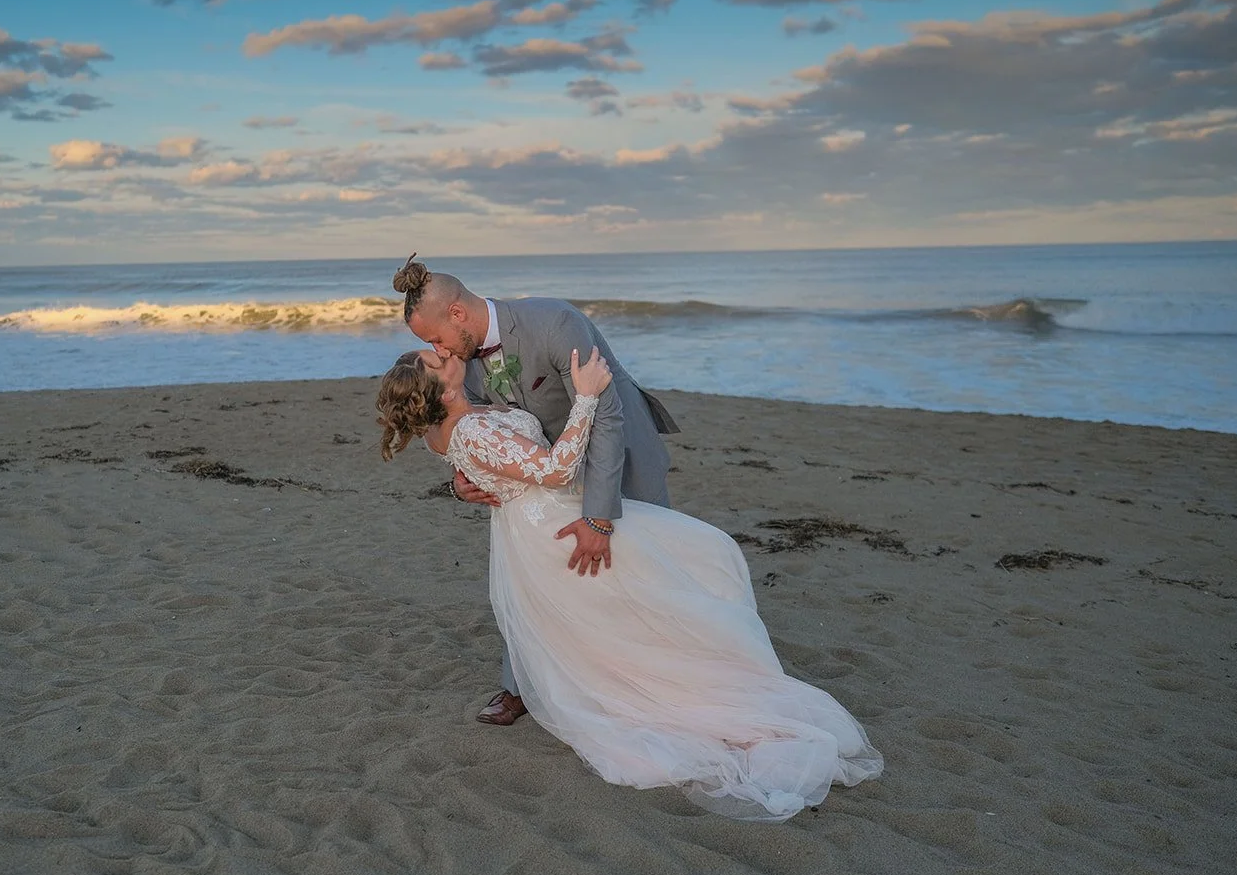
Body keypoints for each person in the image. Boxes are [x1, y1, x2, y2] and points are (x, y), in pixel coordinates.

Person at [375, 347, 884, 821]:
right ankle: (697, 689)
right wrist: (588, 397)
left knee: (631, 605)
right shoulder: (470, 430)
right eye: (436, 359)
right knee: (697, 560)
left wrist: (463, 481)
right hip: (558, 524)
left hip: (525, 529)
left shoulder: (440, 429)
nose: (444, 352)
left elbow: (472, 461)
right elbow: (555, 471)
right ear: (442, 393)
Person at [393, 256, 677, 725]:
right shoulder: (463, 366)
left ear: (457, 314)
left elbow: (605, 417)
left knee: (643, 568)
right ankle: (520, 685)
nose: (439, 351)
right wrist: (464, 479)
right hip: (547, 474)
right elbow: (466, 427)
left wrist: (599, 517)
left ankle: (656, 674)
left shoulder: (555, 323)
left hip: (622, 451)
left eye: (435, 339)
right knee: (536, 580)